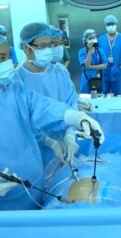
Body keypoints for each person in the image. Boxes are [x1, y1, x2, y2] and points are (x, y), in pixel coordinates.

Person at [0, 29, 105, 211]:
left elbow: (42, 107)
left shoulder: (14, 89)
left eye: (9, 56)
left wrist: (76, 117)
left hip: (33, 187)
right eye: (1, 58)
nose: (9, 63)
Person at [13, 23, 79, 167]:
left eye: (50, 45)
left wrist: (70, 134)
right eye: (42, 46)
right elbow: (21, 120)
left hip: (66, 141)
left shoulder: (59, 72)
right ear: (26, 48)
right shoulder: (16, 80)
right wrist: (50, 142)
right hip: (35, 150)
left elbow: (72, 103)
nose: (48, 50)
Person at [98, 15, 121, 95]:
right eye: (108, 24)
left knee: (118, 97)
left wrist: (120, 67)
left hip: (117, 74)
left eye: (112, 24)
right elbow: (97, 56)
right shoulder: (101, 39)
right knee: (104, 97)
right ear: (105, 25)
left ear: (117, 24)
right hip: (104, 73)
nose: (111, 26)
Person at [79, 29, 107, 94]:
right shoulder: (82, 51)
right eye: (90, 38)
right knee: (86, 98)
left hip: (99, 78)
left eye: (94, 38)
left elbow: (104, 66)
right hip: (86, 79)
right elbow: (86, 65)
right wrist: (89, 51)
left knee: (99, 98)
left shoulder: (100, 51)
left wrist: (91, 67)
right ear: (86, 40)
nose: (92, 39)